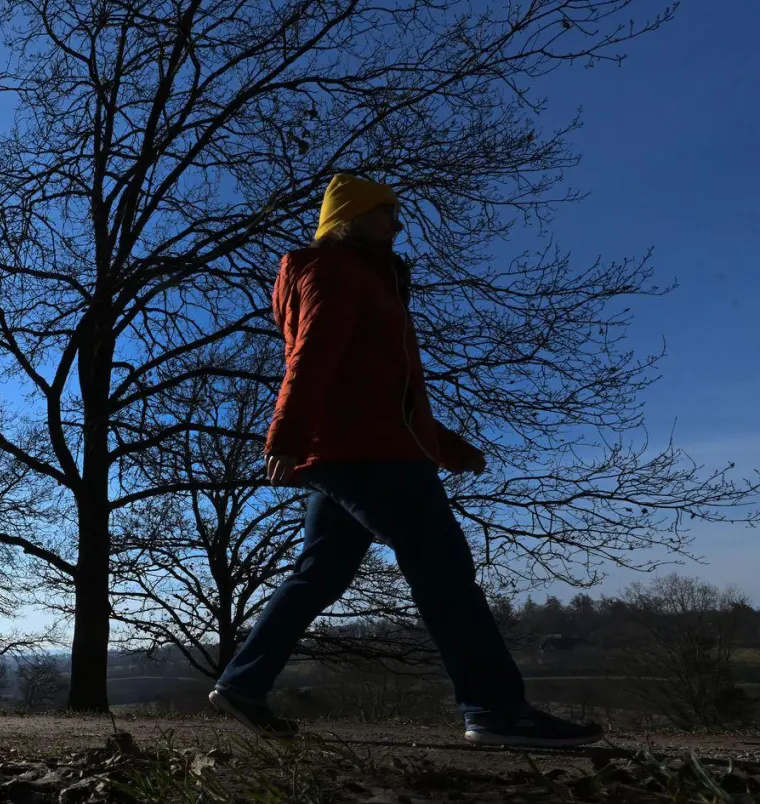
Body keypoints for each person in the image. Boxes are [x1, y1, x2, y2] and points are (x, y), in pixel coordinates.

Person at [207, 174, 604, 748]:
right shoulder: (337, 271)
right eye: (387, 212)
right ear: (352, 218)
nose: (398, 223)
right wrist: (285, 436)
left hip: (359, 447)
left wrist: (444, 446)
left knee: (319, 574)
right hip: (366, 454)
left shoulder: (361, 277)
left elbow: (380, 390)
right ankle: (495, 709)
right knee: (443, 569)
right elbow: (312, 356)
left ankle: (244, 683)